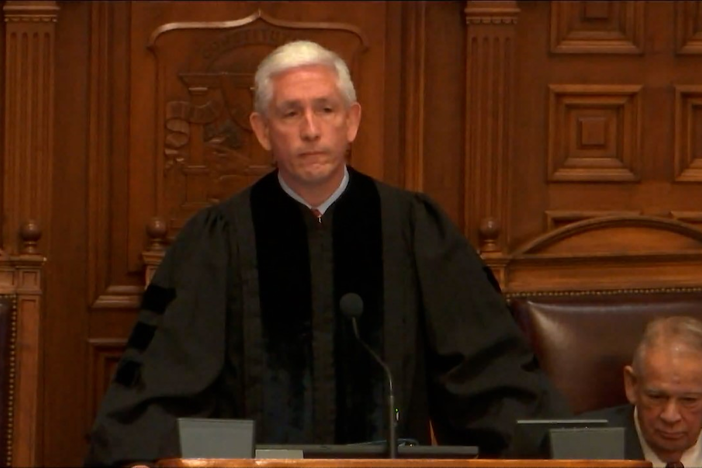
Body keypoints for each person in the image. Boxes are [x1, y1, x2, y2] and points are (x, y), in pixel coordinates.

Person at [84, 40, 568, 467]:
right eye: (291, 113)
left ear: (352, 121)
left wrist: (550, 451)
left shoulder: (413, 227)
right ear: (261, 130)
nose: (311, 130)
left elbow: (487, 370)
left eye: (327, 110)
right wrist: (139, 455)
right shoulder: (218, 239)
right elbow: (166, 378)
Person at [584, 316, 702, 467]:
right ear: (632, 385)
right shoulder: (580, 448)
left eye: (689, 400)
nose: (670, 416)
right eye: (656, 397)